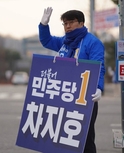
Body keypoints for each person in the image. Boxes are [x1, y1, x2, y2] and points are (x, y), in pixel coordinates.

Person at [38, 7, 105, 153]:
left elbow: (99, 66)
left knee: (85, 137)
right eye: (65, 23)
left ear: (81, 23)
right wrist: (43, 25)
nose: (67, 26)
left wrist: (99, 87)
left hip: (84, 96)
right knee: (61, 135)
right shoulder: (65, 42)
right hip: (64, 95)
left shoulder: (93, 42)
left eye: (71, 22)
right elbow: (47, 41)